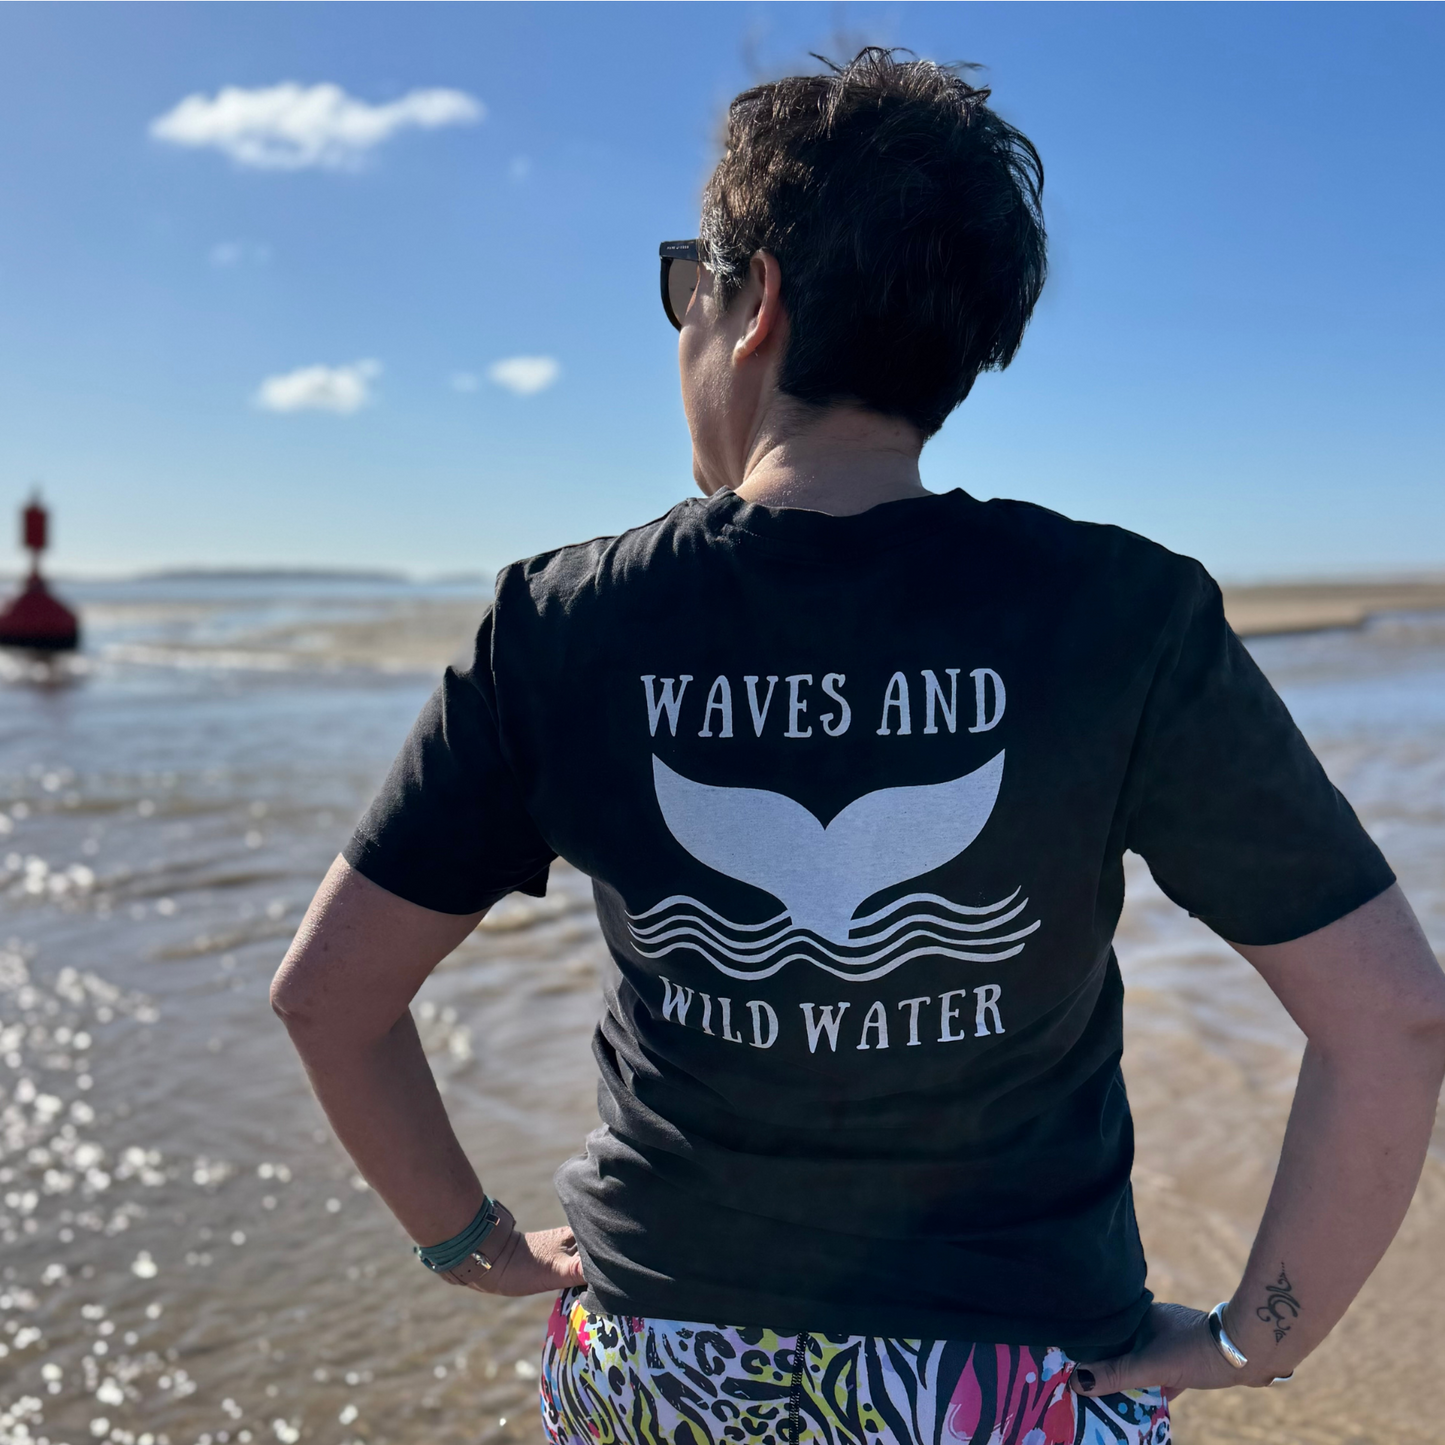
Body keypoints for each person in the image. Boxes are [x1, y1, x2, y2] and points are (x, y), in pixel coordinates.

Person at [270, 49, 1445, 1445]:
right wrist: (1263, 1336)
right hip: (1006, 1381)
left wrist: (468, 1241)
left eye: (682, 288)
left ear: (752, 297)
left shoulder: (565, 622)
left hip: (664, 1358)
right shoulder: (1121, 617)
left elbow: (328, 1000)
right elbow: (1393, 1019)